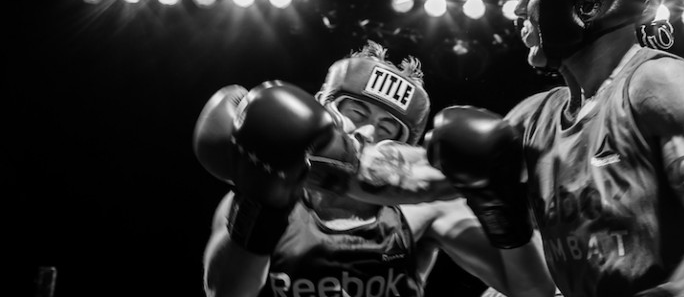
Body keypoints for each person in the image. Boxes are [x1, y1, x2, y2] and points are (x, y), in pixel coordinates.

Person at [423, 0, 684, 297]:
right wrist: (367, 154)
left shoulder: (662, 87)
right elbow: (418, 179)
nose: (518, 7)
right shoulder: (536, 118)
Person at [192, 40, 555, 297]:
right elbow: (224, 292)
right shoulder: (260, 191)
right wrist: (263, 198)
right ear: (323, 108)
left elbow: (534, 290)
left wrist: (500, 201)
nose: (366, 133)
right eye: (356, 112)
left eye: (387, 128)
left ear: (404, 144)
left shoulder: (422, 209)